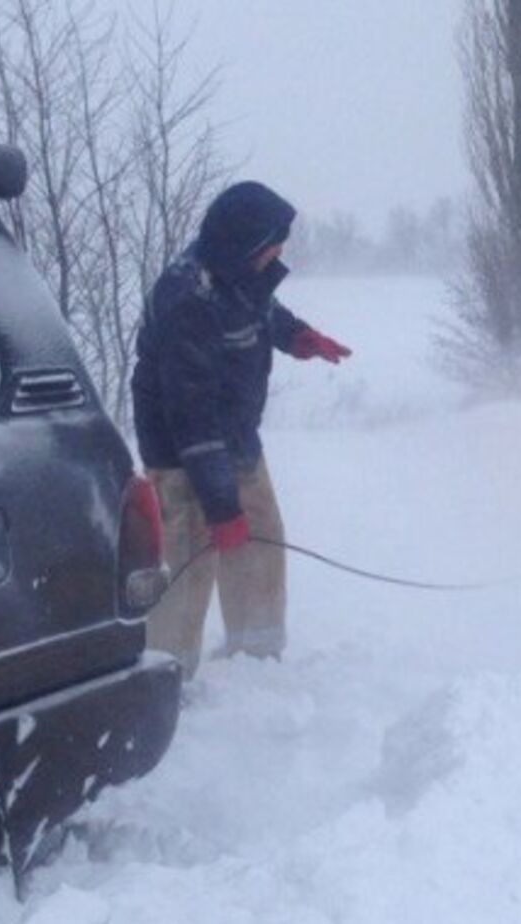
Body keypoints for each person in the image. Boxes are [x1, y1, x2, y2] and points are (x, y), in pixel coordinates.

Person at [131, 181, 353, 679]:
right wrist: (222, 507)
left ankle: (257, 661)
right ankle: (169, 674)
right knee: (190, 558)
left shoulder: (235, 274)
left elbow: (260, 310)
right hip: (179, 451)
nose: (279, 251)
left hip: (235, 437)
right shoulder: (187, 299)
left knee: (261, 539)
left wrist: (299, 338)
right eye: (273, 242)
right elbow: (191, 419)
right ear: (244, 243)